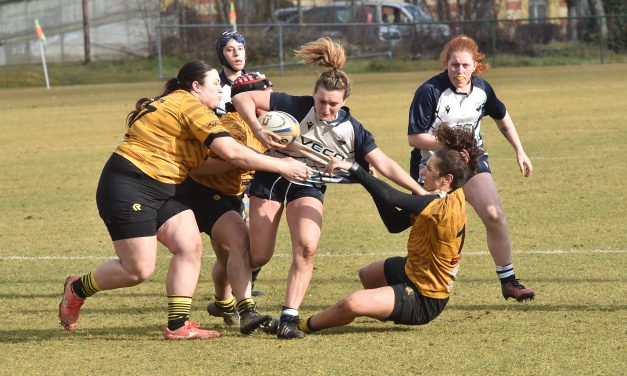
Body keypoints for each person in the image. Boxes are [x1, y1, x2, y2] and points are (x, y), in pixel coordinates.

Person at [58, 60, 310, 340]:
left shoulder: (193, 107)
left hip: (166, 187)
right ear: (195, 86)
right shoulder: (188, 105)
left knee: (190, 246)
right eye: (215, 83)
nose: (220, 88)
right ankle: (77, 288)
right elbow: (232, 153)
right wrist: (282, 165)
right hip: (129, 184)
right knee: (137, 270)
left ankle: (178, 325)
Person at [232, 37, 426, 339]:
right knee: (260, 254)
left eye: (333, 103)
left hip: (307, 186)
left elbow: (385, 164)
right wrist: (258, 130)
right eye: (321, 101)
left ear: (344, 101)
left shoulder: (353, 130)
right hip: (270, 178)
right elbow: (243, 98)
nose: (325, 107)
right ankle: (242, 288)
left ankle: (289, 317)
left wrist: (420, 192)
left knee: (307, 247)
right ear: (314, 94)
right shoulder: (296, 105)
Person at [298, 124, 483, 333]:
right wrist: (372, 181)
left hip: (425, 297)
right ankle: (389, 304)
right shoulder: (446, 193)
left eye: (429, 169)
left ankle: (303, 325)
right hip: (413, 270)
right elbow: (394, 224)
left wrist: (355, 169)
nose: (422, 172)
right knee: (368, 275)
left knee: (352, 304)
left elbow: (392, 197)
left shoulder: (440, 206)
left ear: (447, 179)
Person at [407, 35, 535, 302]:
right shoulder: (429, 91)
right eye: (454, 65)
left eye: (466, 65)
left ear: (476, 65)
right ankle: (418, 285)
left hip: (471, 161)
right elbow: (415, 137)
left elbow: (502, 117)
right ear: (446, 63)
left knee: (493, 214)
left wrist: (519, 151)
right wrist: (450, 144)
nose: (460, 71)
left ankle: (508, 280)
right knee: (429, 229)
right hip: (433, 166)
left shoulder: (482, 90)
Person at [181, 72, 275, 335]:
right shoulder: (234, 126)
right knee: (239, 244)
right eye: (267, 94)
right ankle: (246, 312)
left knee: (228, 255)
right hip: (202, 193)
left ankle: (224, 303)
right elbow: (199, 167)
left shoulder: (263, 122)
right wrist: (240, 160)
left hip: (229, 197)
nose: (272, 99)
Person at [214, 29, 265, 295]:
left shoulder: (258, 81)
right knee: (236, 238)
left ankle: (245, 283)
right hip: (229, 167)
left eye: (241, 49)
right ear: (221, 54)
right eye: (230, 50)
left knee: (256, 233)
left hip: (257, 162)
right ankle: (233, 293)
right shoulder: (215, 87)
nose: (237, 54)